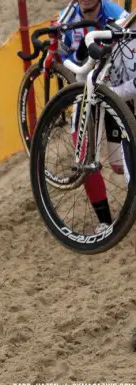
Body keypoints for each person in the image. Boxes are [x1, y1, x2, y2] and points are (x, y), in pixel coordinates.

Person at [56, 0, 130, 232]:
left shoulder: (117, 14)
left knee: (119, 166)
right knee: (84, 154)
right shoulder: (66, 17)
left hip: (114, 93)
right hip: (85, 95)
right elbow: (58, 52)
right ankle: (105, 222)